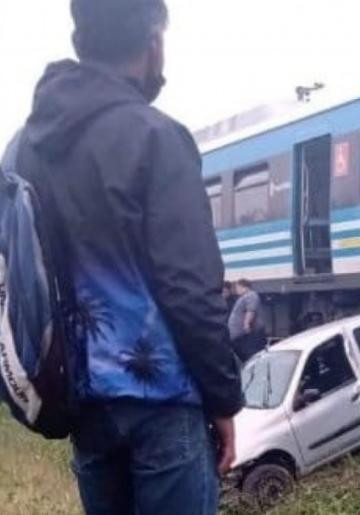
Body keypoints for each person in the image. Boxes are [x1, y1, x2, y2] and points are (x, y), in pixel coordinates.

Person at [7, 1, 243, 513]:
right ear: (153, 40)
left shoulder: (24, 149)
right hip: (163, 404)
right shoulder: (156, 136)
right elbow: (191, 289)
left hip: (82, 406)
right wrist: (225, 400)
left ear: (81, 40)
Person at [228, 278, 267, 363]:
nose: (236, 290)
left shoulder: (251, 295)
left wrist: (246, 324)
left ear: (244, 287)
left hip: (250, 334)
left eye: (237, 287)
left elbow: (250, 310)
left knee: (251, 355)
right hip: (242, 335)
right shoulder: (244, 297)